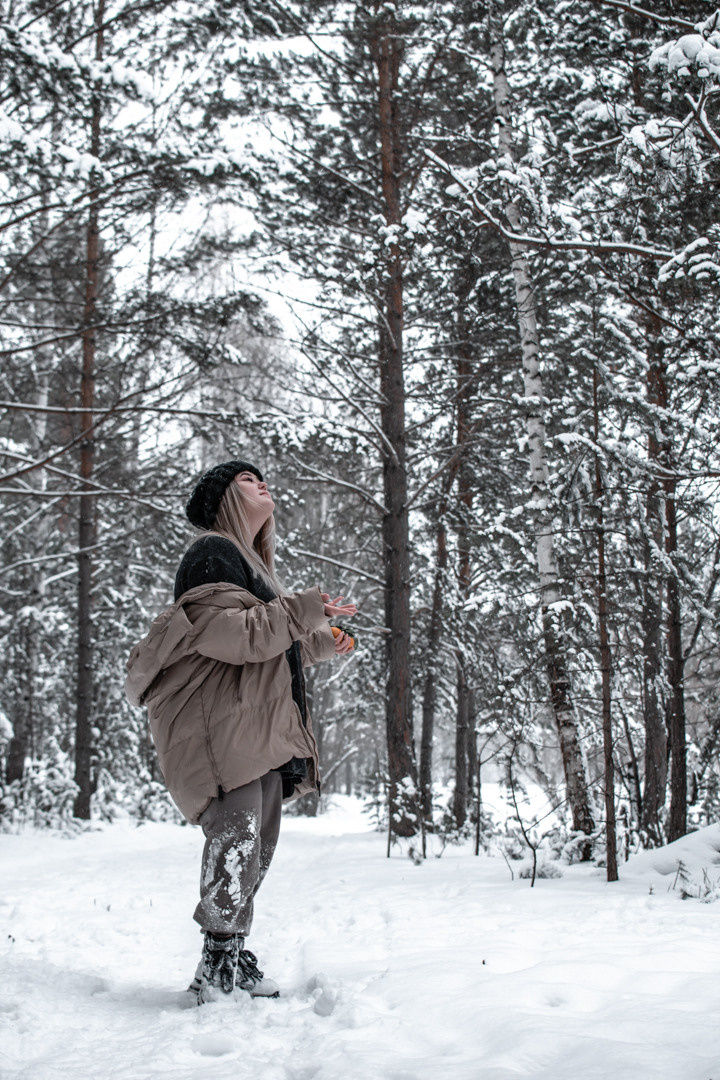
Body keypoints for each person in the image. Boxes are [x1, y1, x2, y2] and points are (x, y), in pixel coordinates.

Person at [125, 459, 356, 1004]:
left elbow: (270, 647)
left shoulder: (250, 564)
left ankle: (228, 954)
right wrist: (302, 611)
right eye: (249, 480)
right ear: (227, 497)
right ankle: (216, 964)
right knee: (237, 838)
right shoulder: (212, 551)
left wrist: (322, 638)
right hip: (219, 724)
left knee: (256, 843)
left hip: (251, 724)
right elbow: (230, 638)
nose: (263, 483)